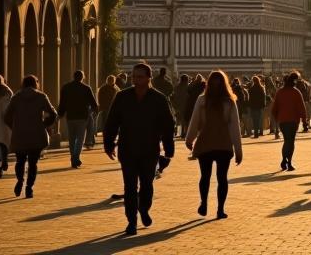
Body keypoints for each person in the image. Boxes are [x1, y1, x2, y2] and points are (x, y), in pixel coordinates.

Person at [103, 62, 176, 237]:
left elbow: (168, 125)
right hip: (127, 148)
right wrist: (109, 144)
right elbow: (112, 121)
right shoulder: (122, 97)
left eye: (140, 77)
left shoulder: (158, 99)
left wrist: (169, 148)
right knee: (129, 186)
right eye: (134, 76)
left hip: (150, 149)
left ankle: (144, 208)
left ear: (149, 78)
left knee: (147, 184)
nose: (136, 80)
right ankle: (131, 221)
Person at [185, 69, 242, 220]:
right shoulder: (229, 101)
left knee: (205, 176)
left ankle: (204, 203)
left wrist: (189, 139)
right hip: (224, 144)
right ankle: (220, 209)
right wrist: (238, 149)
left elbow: (195, 121)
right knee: (222, 178)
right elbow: (234, 127)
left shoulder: (202, 100)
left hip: (205, 143)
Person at [3, 74, 58, 199]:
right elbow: (53, 113)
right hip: (36, 135)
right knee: (33, 163)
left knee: (20, 161)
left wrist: (14, 127)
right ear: (35, 84)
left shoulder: (16, 97)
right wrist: (44, 124)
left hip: (20, 135)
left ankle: (20, 180)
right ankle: (29, 188)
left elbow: (6, 116)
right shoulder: (41, 96)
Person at [58, 69, 98, 168]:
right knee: (80, 139)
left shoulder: (66, 88)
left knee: (72, 138)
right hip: (82, 116)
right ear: (82, 77)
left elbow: (62, 102)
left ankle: (73, 156)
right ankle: (75, 157)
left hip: (70, 116)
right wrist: (94, 111)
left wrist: (60, 114)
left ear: (73, 76)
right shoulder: (86, 88)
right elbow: (93, 102)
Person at [270, 72, 306, 171]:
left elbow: (274, 108)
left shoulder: (280, 92)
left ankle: (284, 159)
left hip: (283, 121)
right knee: (291, 141)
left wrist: (277, 118)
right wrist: (304, 120)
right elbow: (301, 107)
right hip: (293, 120)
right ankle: (288, 161)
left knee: (286, 141)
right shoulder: (296, 92)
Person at [97, 74, 120, 138]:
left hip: (113, 108)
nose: (111, 81)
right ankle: (106, 133)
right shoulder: (104, 88)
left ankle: (110, 133)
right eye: (110, 80)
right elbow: (100, 97)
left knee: (112, 121)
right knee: (106, 120)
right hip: (106, 107)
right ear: (107, 80)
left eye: (112, 80)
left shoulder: (116, 88)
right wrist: (101, 105)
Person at [247, 75, 267, 139]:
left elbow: (249, 99)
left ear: (253, 81)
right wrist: (263, 105)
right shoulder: (261, 88)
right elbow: (263, 98)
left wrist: (249, 105)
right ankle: (259, 132)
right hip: (260, 106)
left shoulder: (251, 89)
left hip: (253, 107)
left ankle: (256, 133)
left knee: (254, 120)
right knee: (259, 120)